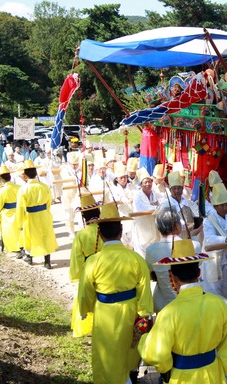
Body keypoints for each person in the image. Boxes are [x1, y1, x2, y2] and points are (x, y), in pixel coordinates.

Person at [139, 239, 227, 383]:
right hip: (212, 374)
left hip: (181, 377)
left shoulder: (168, 313)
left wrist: (144, 340)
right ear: (199, 273)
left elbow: (157, 355)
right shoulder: (218, 304)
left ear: (173, 278)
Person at [78, 202, 153, 384]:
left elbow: (85, 292)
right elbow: (144, 288)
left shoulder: (93, 262)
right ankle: (131, 377)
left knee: (108, 355)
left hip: (105, 313)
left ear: (100, 234)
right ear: (121, 230)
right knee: (130, 350)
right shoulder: (135, 259)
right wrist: (144, 313)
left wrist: (84, 309)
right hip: (131, 311)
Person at [145, 208, 200, 312]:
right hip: (192, 304)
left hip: (164, 306)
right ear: (177, 225)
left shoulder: (151, 250)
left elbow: (152, 275)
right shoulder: (194, 246)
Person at [69, 193, 103, 338]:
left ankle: (86, 325)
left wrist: (77, 275)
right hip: (104, 267)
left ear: (84, 217)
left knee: (86, 297)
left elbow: (76, 258)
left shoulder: (81, 235)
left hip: (88, 268)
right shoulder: (105, 230)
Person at [15, 160, 58, 269]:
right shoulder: (44, 186)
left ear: (25, 175)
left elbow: (20, 207)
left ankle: (29, 257)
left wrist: (19, 222)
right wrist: (46, 212)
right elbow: (49, 202)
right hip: (44, 214)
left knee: (29, 236)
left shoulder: (23, 189)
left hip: (30, 215)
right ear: (36, 173)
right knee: (45, 236)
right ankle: (47, 261)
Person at [0, 165, 21, 256]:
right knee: (19, 230)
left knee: (9, 231)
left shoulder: (2, 190)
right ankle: (21, 246)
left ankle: (13, 247)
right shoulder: (18, 187)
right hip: (18, 210)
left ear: (2, 179)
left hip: (7, 212)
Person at [60, 151, 81, 238]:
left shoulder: (80, 169)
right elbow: (66, 178)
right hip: (68, 194)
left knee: (80, 213)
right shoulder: (65, 170)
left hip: (78, 193)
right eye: (73, 164)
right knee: (69, 214)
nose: (75, 166)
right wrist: (75, 177)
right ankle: (71, 231)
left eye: (76, 164)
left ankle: (81, 230)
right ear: (69, 163)